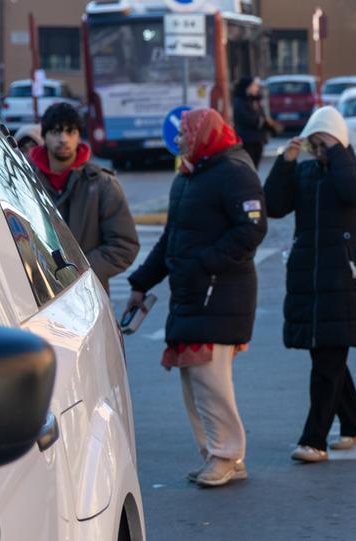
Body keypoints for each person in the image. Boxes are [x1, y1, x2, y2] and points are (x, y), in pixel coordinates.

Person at [126, 108, 268, 488]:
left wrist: (206, 263)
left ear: (204, 134)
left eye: (186, 135)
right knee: (195, 381)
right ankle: (215, 454)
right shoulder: (189, 176)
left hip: (220, 292)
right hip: (193, 291)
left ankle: (226, 454)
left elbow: (252, 230)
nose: (181, 141)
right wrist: (142, 282)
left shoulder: (234, 172)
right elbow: (171, 239)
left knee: (211, 380)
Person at [263, 107, 356, 463]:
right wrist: (286, 161)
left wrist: (338, 149)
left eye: (325, 142)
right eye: (315, 143)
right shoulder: (305, 172)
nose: (320, 150)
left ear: (340, 142)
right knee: (326, 357)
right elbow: (274, 205)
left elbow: (352, 194)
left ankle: (314, 440)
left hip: (343, 279)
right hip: (308, 279)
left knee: (327, 361)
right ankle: (354, 423)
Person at [28, 103, 138, 293]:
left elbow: (124, 246)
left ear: (79, 136)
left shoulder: (102, 184)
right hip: (35, 295)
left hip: (88, 295)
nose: (63, 139)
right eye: (56, 132)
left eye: (70, 132)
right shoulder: (24, 180)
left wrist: (78, 271)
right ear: (44, 136)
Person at [232, 76, 280, 168]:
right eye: (255, 85)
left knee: (255, 166)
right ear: (248, 87)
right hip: (248, 139)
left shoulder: (256, 100)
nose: (257, 88)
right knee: (249, 166)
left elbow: (261, 115)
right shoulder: (240, 101)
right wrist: (262, 121)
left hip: (258, 139)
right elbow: (246, 119)